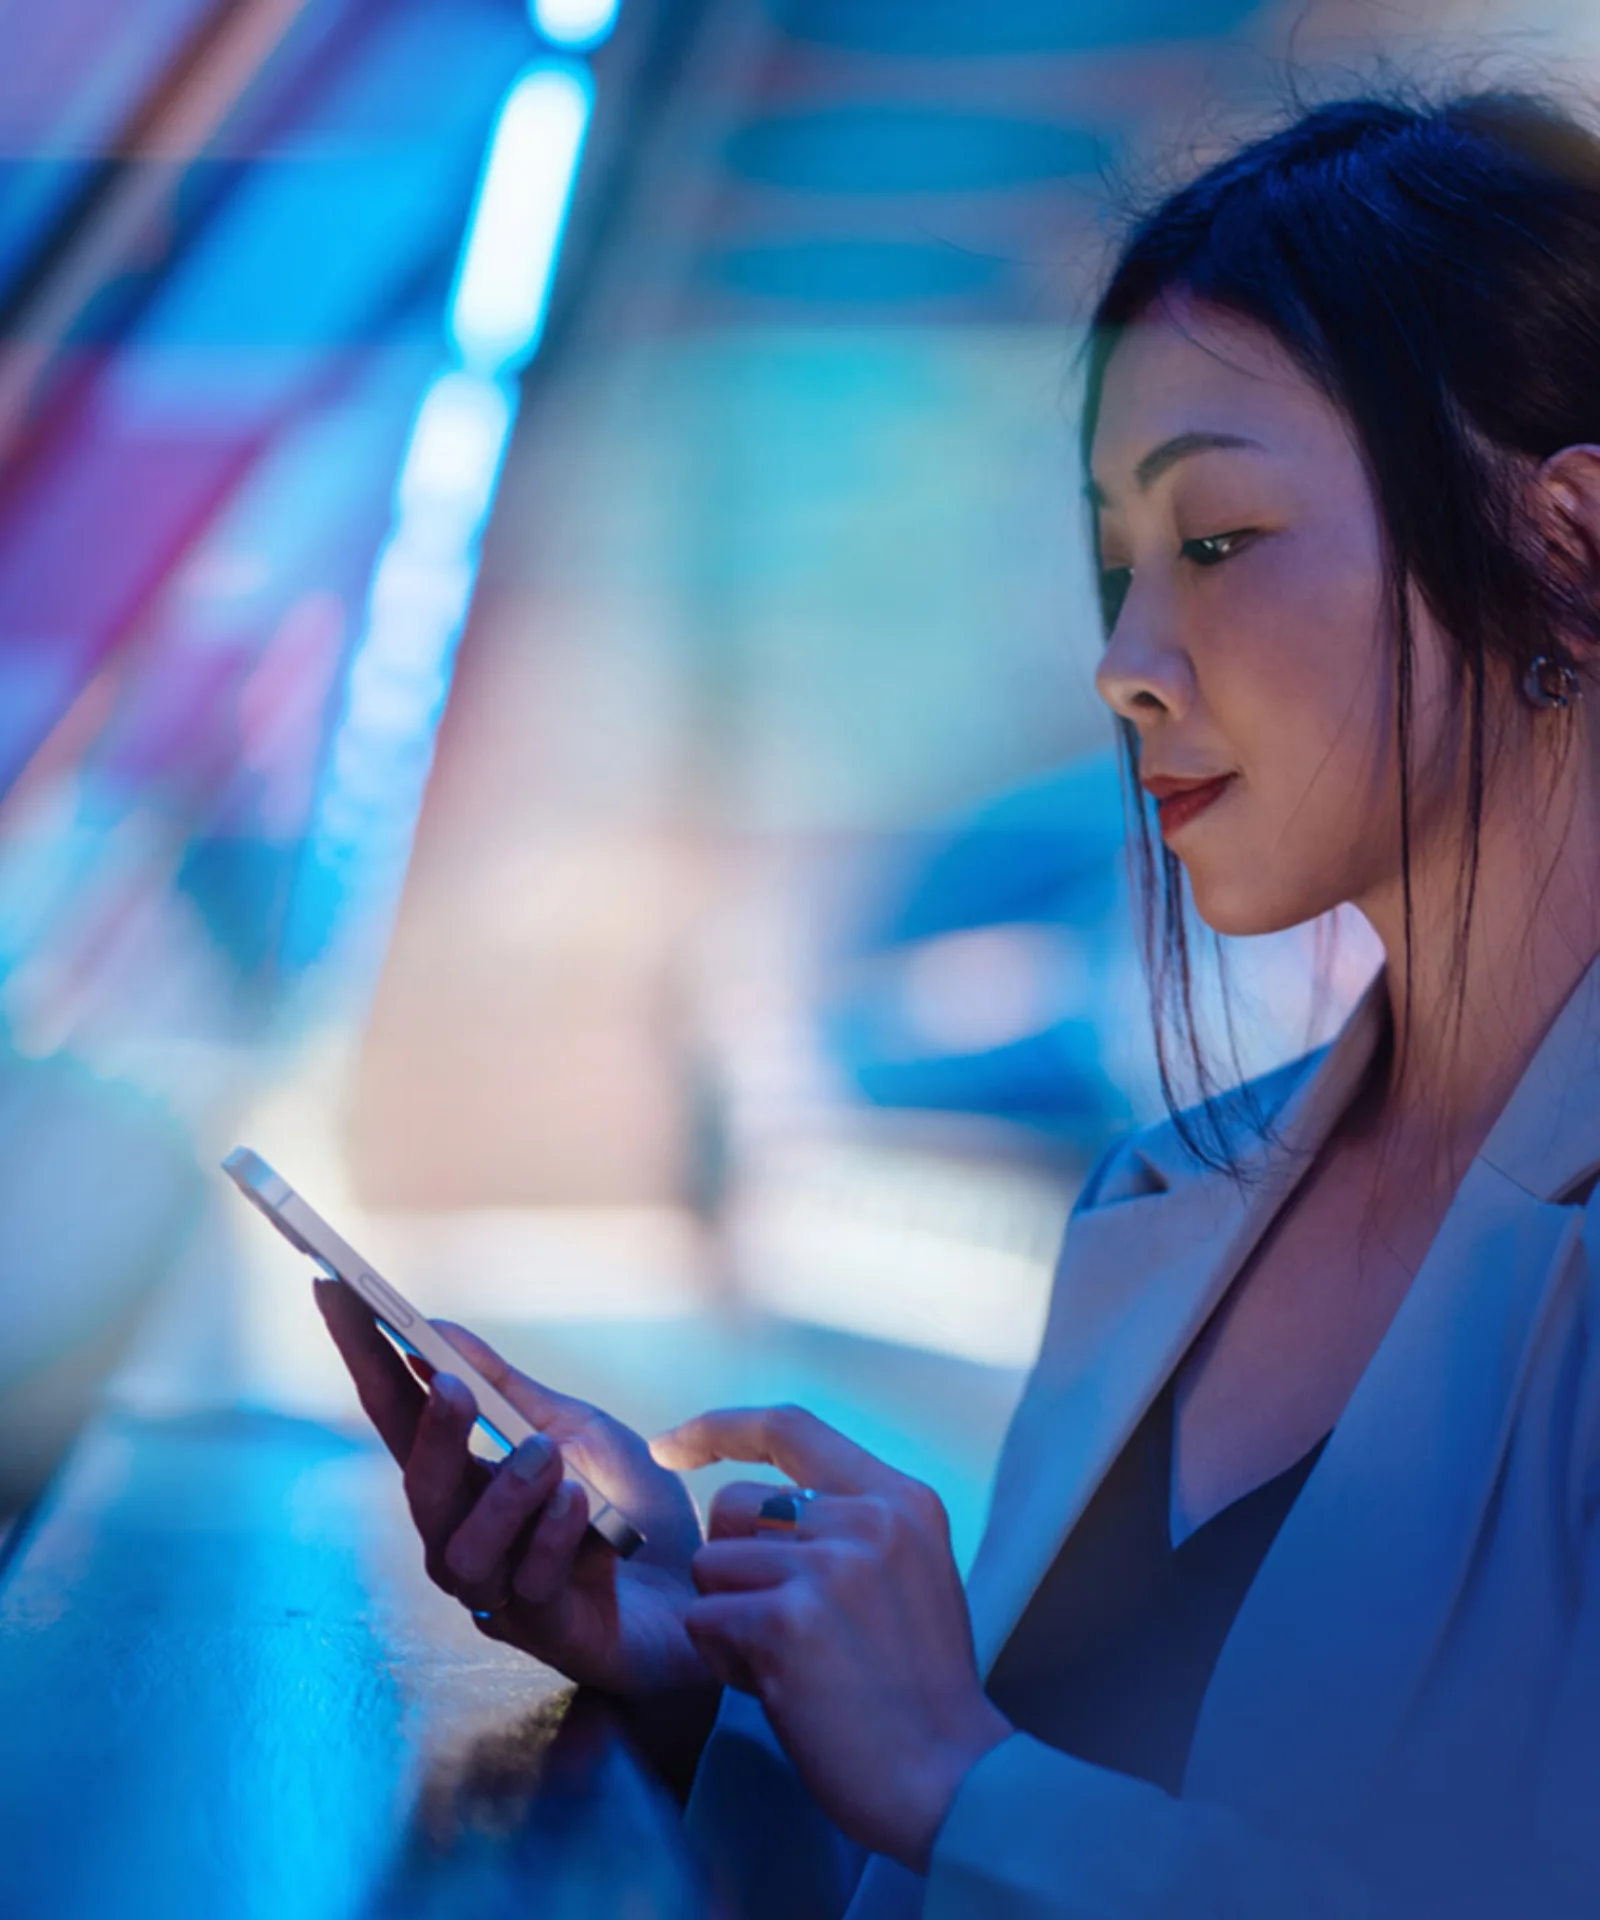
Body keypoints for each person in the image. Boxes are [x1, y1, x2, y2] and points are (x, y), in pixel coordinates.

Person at [319, 90, 1600, 1917]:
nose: (1126, 666)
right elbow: (999, 1842)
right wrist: (720, 1675)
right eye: (1115, 566)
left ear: (1567, 543)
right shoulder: (1168, 1205)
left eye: (1216, 539)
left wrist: (946, 1763)